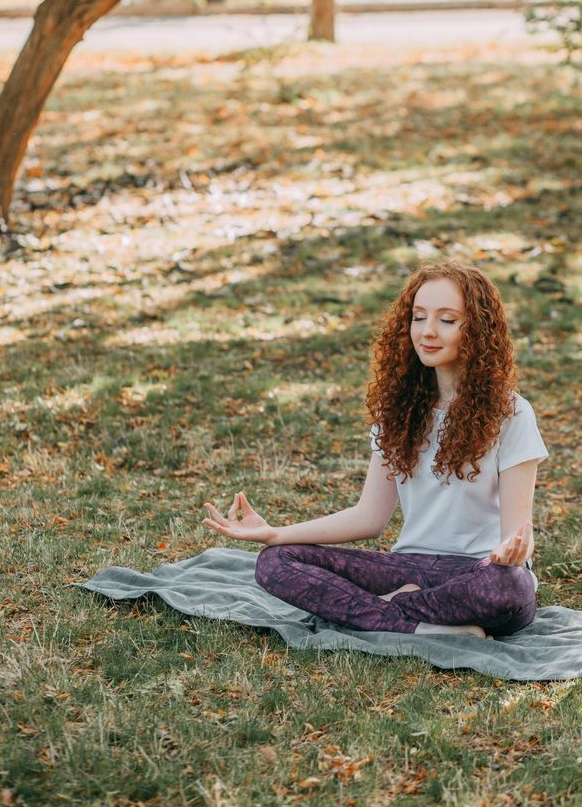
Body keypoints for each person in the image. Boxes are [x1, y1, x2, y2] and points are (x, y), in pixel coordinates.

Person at [203, 260, 549, 640]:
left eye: (447, 320)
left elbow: (519, 533)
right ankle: (423, 627)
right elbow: (369, 517)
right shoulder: (398, 410)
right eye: (419, 317)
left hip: (478, 573)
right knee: (276, 562)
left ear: (479, 330)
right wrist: (275, 534)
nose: (428, 332)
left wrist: (508, 555)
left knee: (510, 587)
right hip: (406, 566)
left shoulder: (511, 413)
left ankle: (378, 612)